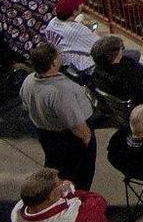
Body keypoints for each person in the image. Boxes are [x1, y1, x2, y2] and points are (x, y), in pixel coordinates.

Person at [20, 42, 96, 191]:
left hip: (46, 133)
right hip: (68, 139)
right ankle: (77, 200)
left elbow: (26, 105)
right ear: (53, 62)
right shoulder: (60, 92)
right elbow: (76, 124)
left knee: (56, 168)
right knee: (79, 174)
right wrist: (87, 139)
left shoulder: (29, 80)